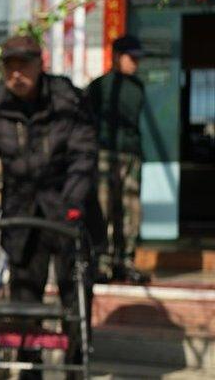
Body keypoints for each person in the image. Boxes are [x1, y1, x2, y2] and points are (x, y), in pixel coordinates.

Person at [0, 35, 97, 374]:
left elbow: (83, 156)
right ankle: (29, 366)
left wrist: (74, 203)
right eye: (9, 67)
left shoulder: (68, 102)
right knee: (24, 299)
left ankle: (75, 367)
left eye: (23, 66)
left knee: (74, 295)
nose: (16, 75)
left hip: (66, 209)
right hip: (20, 213)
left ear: (40, 64)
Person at [85, 35, 149, 283]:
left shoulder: (138, 87)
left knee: (131, 208)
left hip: (131, 153)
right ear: (116, 56)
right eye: (130, 58)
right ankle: (101, 261)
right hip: (104, 154)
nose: (135, 63)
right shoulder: (99, 87)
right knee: (103, 207)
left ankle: (125, 260)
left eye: (137, 59)